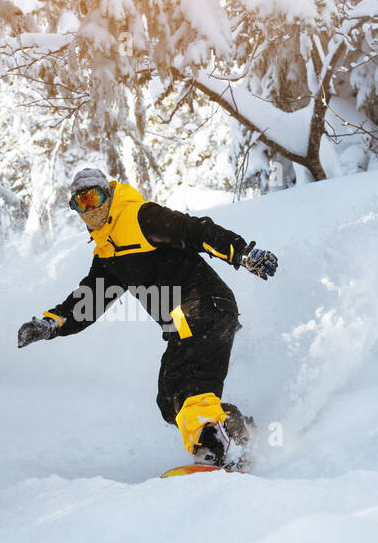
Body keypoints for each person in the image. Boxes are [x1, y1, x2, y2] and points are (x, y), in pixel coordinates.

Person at [17, 167, 278, 468]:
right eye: (81, 203)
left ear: (109, 194)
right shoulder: (107, 253)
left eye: (94, 197)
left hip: (205, 304)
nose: (90, 208)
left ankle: (216, 448)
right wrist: (51, 323)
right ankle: (238, 432)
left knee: (190, 381)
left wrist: (242, 253)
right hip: (181, 322)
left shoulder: (139, 217)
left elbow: (196, 231)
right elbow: (88, 301)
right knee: (169, 399)